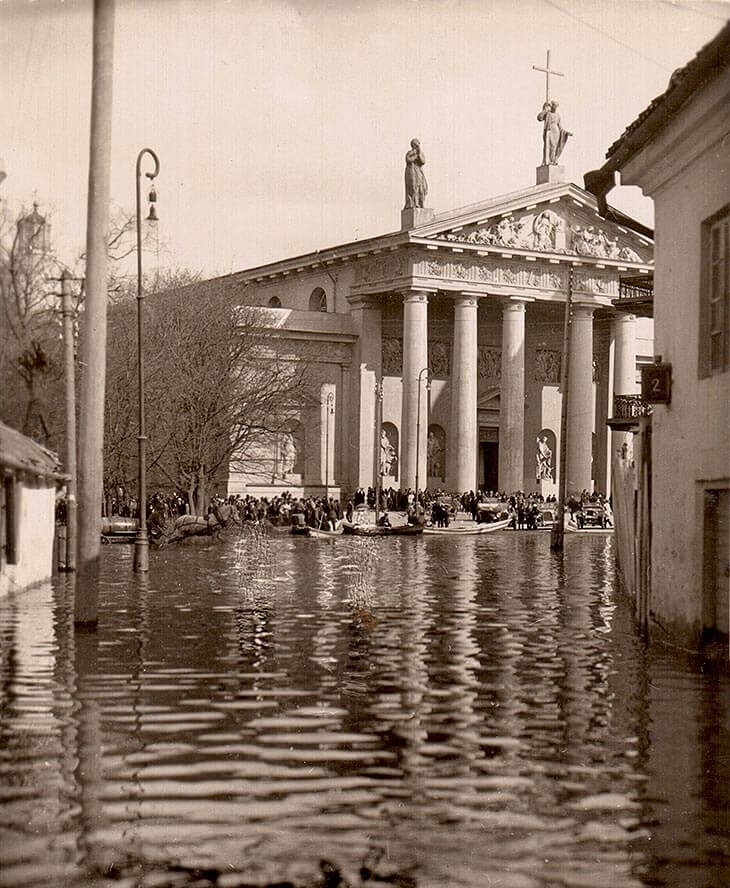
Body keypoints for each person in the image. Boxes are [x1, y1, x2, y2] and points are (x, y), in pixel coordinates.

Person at [537, 101, 571, 165]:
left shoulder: (558, 116)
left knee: (554, 146)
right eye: (554, 106)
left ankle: (553, 160)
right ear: (552, 106)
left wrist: (566, 133)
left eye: (556, 106)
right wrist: (545, 110)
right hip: (549, 130)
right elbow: (539, 118)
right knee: (549, 145)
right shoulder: (548, 113)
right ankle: (547, 160)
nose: (555, 108)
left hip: (556, 131)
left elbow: (560, 127)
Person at [404, 139, 428, 209]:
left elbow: (423, 161)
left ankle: (421, 203)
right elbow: (408, 159)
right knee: (413, 187)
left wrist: (418, 154)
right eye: (416, 144)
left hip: (419, 171)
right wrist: (415, 155)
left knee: (421, 187)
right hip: (411, 171)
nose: (418, 145)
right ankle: (414, 203)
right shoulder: (409, 152)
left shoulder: (420, 153)